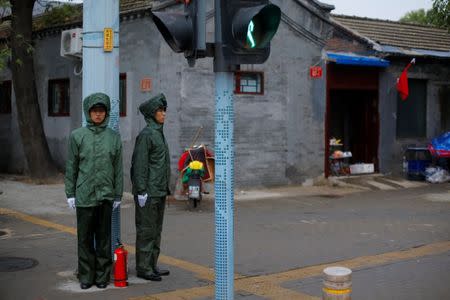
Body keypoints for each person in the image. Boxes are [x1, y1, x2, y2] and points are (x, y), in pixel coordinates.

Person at [64, 93, 123, 290]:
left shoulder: (113, 138)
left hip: (106, 195)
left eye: (101, 111)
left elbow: (118, 168)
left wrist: (118, 194)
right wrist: (70, 193)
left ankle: (102, 276)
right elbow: (71, 166)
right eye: (94, 111)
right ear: (88, 112)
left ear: (106, 113)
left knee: (104, 238)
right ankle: (86, 276)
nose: (98, 114)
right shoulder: (77, 136)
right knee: (85, 239)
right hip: (84, 195)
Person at [131, 93, 171, 281]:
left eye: (164, 110)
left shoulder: (158, 134)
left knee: (156, 230)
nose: (163, 114)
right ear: (151, 114)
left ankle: (152, 264)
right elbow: (139, 165)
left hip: (159, 190)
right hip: (148, 192)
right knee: (147, 230)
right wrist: (141, 191)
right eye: (160, 111)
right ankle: (143, 268)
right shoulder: (147, 135)